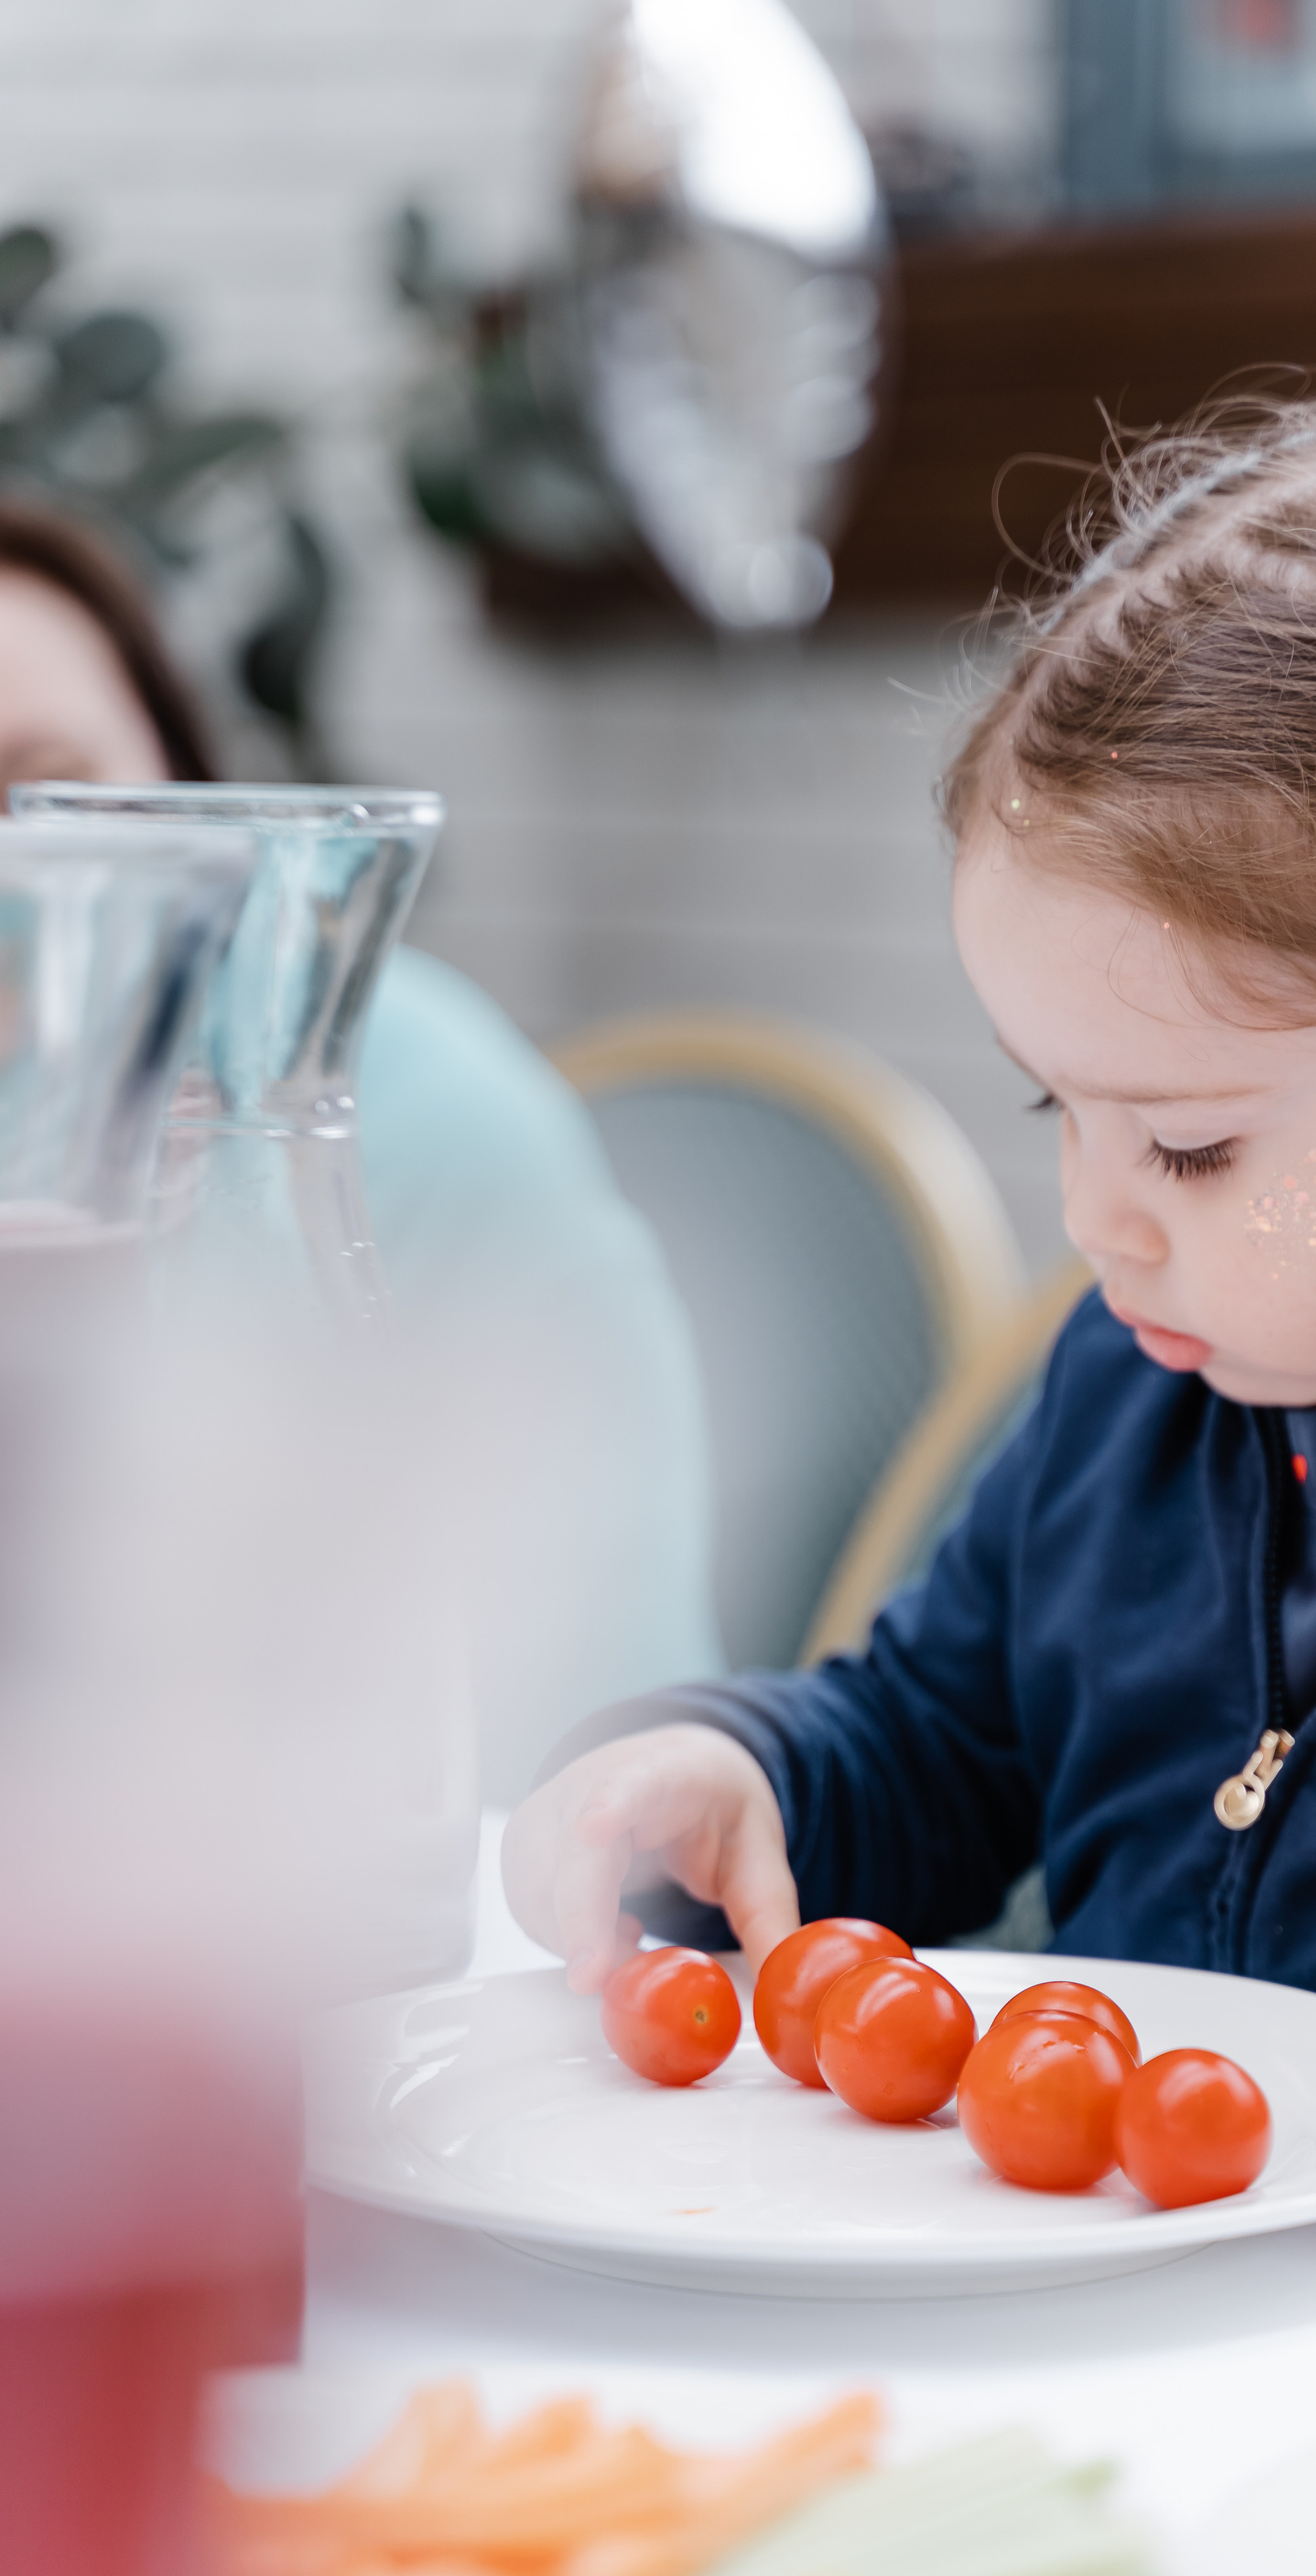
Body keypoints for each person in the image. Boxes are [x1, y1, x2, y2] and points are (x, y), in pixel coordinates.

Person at [506, 364, 1316, 2247]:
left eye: (1194, 1148)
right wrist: (738, 1771)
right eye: (1063, 1112)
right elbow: (933, 1741)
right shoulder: (1140, 1394)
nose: (1097, 1222)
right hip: (1135, 2367)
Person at [0, 494, 723, 1798]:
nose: (16, 875)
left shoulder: (389, 1112)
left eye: (51, 797)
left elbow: (577, 1711)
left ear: (186, 794)